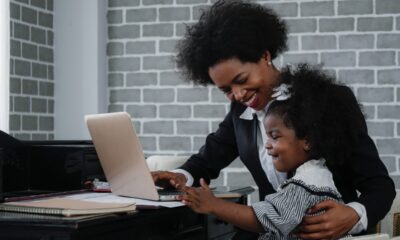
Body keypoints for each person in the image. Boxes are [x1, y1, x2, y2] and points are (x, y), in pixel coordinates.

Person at [151, 0, 396, 239]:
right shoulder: (240, 112)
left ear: (265, 56)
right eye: (226, 89)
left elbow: (380, 186)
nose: (237, 95)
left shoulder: (327, 100)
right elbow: (208, 159)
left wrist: (353, 214)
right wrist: (180, 176)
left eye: (242, 79)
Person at [181, 64, 356, 239]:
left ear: (307, 141)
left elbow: (269, 218)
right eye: (227, 89)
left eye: (274, 136)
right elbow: (211, 154)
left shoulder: (309, 182)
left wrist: (215, 206)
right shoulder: (311, 175)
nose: (267, 144)